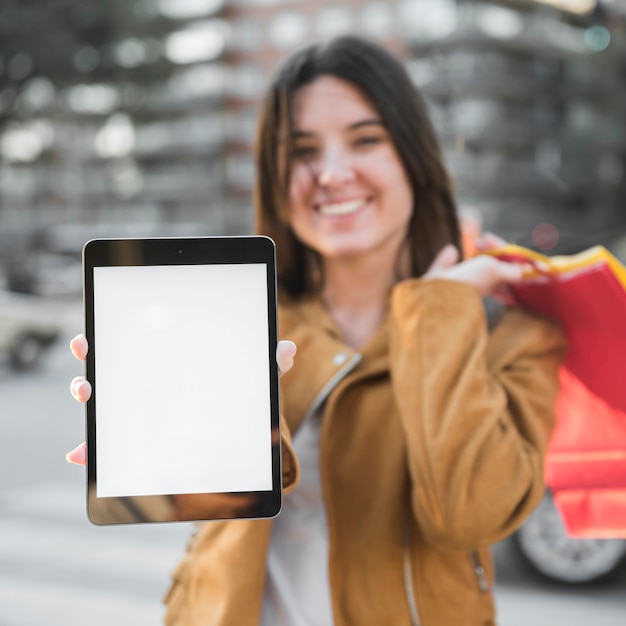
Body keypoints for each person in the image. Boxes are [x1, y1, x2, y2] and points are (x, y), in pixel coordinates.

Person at [67, 35, 566, 626]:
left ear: (413, 156)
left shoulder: (513, 335)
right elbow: (199, 506)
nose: (331, 174)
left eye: (366, 140)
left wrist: (441, 311)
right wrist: (153, 436)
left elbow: (469, 515)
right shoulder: (245, 318)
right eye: (302, 151)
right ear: (276, 177)